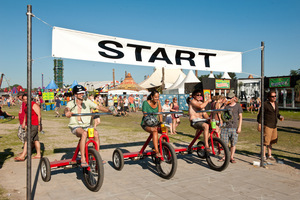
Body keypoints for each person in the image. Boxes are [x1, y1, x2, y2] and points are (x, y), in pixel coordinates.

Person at [64, 85, 111, 167]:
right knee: (84, 134)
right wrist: (67, 112)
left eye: (83, 93)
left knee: (95, 133)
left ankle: (97, 157)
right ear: (75, 94)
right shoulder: (71, 103)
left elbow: (98, 107)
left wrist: (109, 110)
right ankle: (83, 158)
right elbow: (67, 109)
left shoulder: (87, 102)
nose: (82, 94)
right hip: (75, 126)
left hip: (86, 125)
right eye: (80, 93)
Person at [257, 89, 284, 161]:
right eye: (272, 96)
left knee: (271, 141)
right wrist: (259, 124)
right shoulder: (265, 104)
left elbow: (277, 113)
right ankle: (263, 155)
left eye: (275, 96)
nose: (274, 98)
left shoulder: (276, 104)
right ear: (269, 97)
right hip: (267, 125)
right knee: (266, 141)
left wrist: (280, 116)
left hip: (274, 125)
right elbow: (260, 115)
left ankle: (269, 155)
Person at [14, 94, 42, 161]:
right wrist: (23, 123)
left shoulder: (34, 104)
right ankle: (38, 154)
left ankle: (23, 155)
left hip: (34, 124)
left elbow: (39, 115)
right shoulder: (26, 106)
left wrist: (40, 124)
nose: (26, 100)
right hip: (29, 124)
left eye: (27, 99)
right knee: (36, 140)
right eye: (24, 99)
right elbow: (26, 114)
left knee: (27, 139)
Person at [141, 90, 166, 157]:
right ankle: (157, 151)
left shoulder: (158, 102)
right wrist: (153, 125)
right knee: (154, 130)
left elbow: (160, 113)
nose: (157, 98)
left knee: (164, 129)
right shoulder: (145, 103)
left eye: (158, 97)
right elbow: (146, 116)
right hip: (146, 123)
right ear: (152, 97)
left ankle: (164, 146)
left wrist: (161, 123)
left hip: (155, 122)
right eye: (155, 97)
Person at [220, 91, 243, 163]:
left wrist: (239, 127)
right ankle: (225, 156)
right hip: (225, 126)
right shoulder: (226, 106)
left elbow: (240, 117)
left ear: (234, 98)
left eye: (230, 98)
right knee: (225, 143)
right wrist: (224, 104)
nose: (229, 99)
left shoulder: (238, 106)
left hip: (234, 126)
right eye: (228, 98)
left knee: (233, 143)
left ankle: (232, 157)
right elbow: (220, 112)